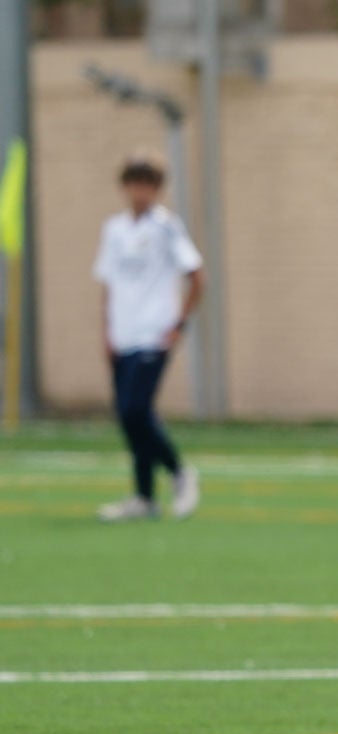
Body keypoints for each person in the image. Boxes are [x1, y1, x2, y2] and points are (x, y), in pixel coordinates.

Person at [92, 153, 204, 522]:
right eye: (134, 183)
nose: (139, 191)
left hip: (153, 334)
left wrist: (177, 326)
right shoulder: (114, 229)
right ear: (124, 187)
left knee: (135, 409)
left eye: (147, 185)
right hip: (122, 335)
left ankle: (178, 472)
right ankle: (144, 497)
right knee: (129, 418)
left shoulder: (166, 227)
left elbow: (197, 277)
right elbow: (108, 284)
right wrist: (106, 330)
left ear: (157, 189)